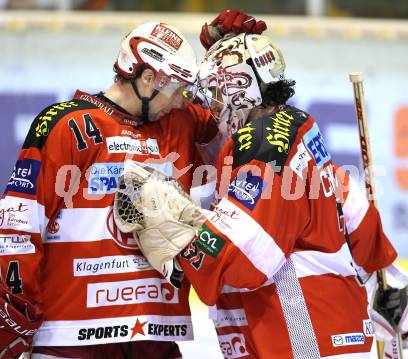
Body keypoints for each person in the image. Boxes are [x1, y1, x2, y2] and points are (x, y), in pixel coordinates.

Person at [115, 29, 408, 358]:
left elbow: (245, 260)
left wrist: (188, 242)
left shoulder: (265, 142)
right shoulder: (299, 131)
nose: (210, 103)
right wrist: (388, 277)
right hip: (331, 329)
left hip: (302, 336)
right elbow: (361, 223)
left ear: (242, 87)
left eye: (216, 90)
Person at [0, 12, 267, 358]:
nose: (180, 101)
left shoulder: (183, 123)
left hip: (155, 337)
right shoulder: (69, 124)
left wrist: (232, 63)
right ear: (146, 77)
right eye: (175, 89)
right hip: (70, 337)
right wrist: (15, 308)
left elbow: (246, 141)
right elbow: (18, 223)